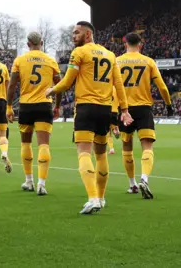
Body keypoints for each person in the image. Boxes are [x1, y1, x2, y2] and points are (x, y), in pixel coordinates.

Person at [46, 21, 131, 214]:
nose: (73, 36)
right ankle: (100, 198)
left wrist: (52, 90)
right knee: (101, 155)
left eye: (76, 33)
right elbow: (118, 84)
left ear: (88, 35)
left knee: (84, 153)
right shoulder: (111, 55)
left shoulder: (79, 53)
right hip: (106, 110)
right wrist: (124, 109)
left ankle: (92, 197)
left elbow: (67, 82)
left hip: (85, 108)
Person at [116, 32, 173, 199]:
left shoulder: (117, 62)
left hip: (124, 109)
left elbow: (112, 88)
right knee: (147, 146)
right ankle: (145, 179)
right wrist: (168, 104)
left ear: (125, 43)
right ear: (140, 45)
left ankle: (132, 184)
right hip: (143, 108)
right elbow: (162, 87)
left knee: (127, 147)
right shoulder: (148, 62)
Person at [7, 32, 61, 196]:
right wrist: (57, 106)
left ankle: (29, 180)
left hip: (26, 106)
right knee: (44, 145)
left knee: (26, 143)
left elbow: (12, 85)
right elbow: (60, 86)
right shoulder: (50, 60)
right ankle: (41, 184)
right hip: (44, 105)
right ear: (42, 43)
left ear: (28, 43)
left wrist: (9, 106)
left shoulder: (20, 60)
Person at [108, 87, 121, 155]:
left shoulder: (106, 86)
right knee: (113, 126)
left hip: (107, 110)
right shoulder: (116, 89)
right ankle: (116, 130)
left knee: (108, 132)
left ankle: (111, 148)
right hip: (115, 112)